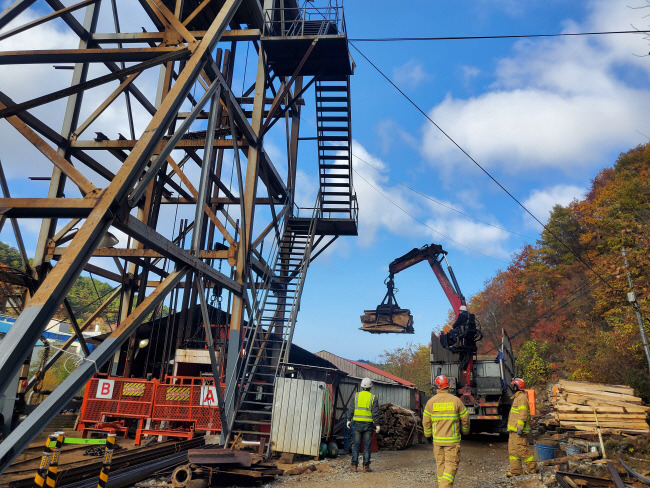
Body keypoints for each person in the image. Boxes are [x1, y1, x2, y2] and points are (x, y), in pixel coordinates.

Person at [422, 374, 470, 488]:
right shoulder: (456, 401)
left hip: (437, 442)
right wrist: (465, 431)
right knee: (451, 465)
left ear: (437, 386)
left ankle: (442, 484)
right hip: (451, 442)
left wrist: (428, 435)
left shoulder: (431, 402)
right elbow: (465, 418)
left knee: (441, 465)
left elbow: (426, 421)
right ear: (448, 386)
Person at [347, 377, 380, 472]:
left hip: (357, 424)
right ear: (370, 387)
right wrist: (377, 424)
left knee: (356, 445)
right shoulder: (373, 397)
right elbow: (375, 413)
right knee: (367, 446)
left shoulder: (356, 396)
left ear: (361, 386)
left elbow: (351, 409)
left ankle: (354, 466)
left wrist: (349, 419)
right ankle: (366, 466)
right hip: (368, 425)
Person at [506, 377, 537, 477]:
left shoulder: (521, 398)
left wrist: (520, 427)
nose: (512, 387)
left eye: (513, 385)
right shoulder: (518, 397)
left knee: (521, 449)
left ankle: (533, 468)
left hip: (517, 429)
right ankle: (516, 470)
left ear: (517, 387)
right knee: (513, 451)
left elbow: (523, 413)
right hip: (513, 430)